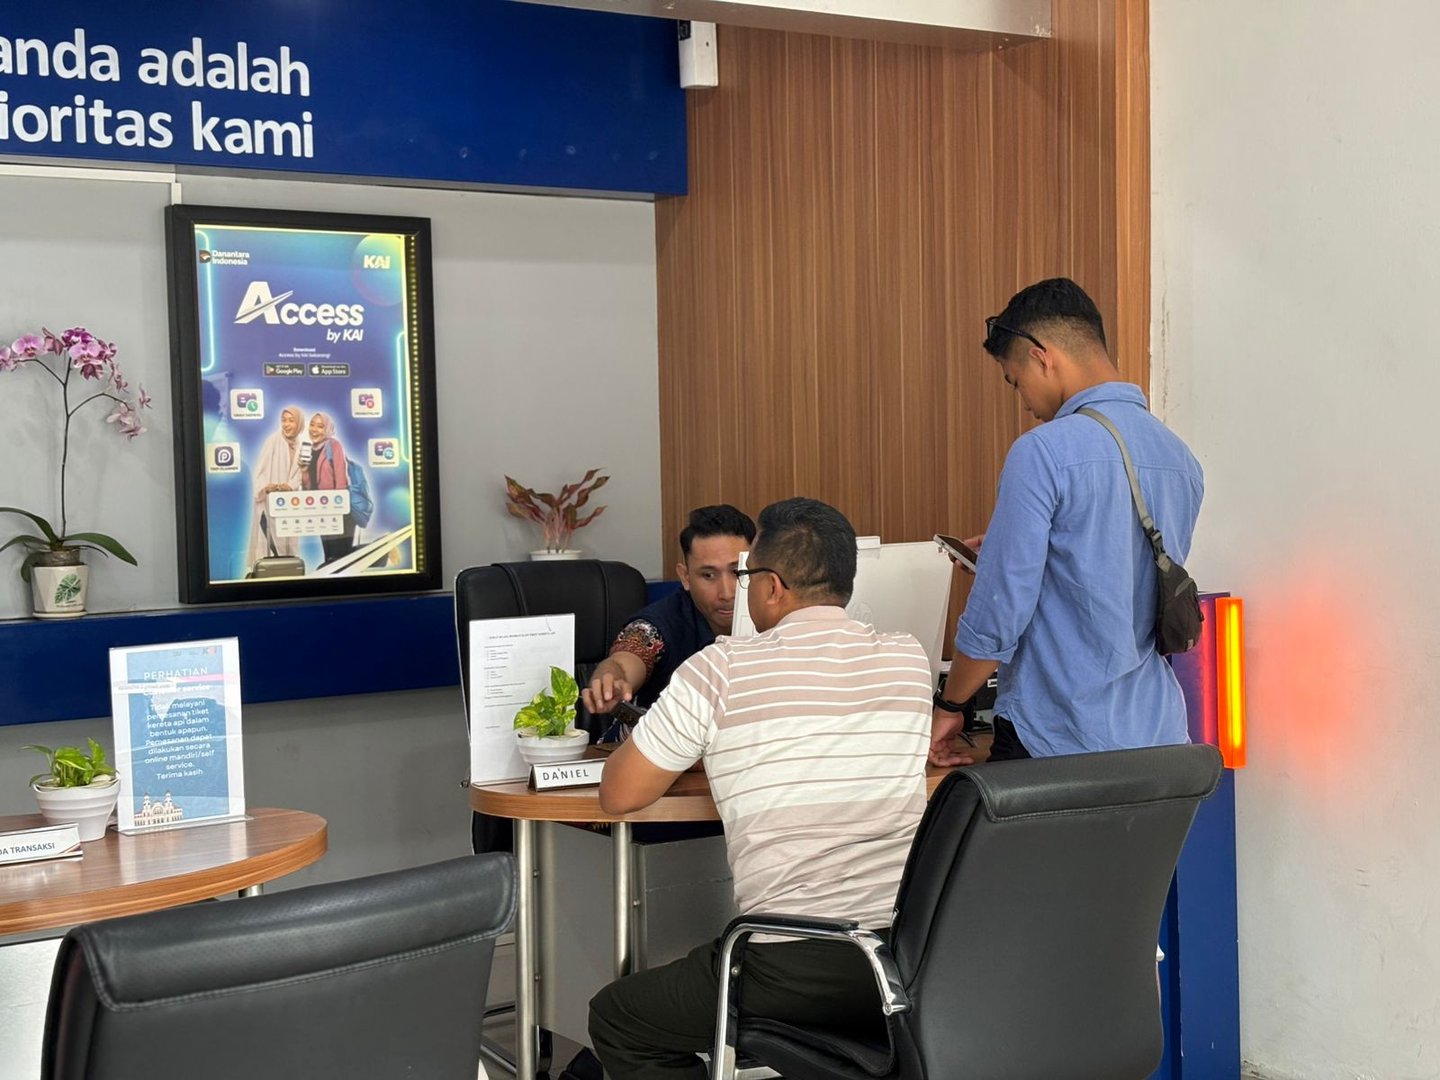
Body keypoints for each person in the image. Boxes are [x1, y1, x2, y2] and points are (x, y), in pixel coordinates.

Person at [587, 497, 932, 1080]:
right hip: (910, 955)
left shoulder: (718, 670)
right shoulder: (909, 659)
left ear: (770, 586)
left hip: (789, 960)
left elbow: (618, 794)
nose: (731, 590)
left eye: (742, 575)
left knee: (619, 1018)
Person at [931, 277, 1204, 765]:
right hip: (1157, 739)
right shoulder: (1180, 459)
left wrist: (951, 705)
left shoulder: (1042, 452)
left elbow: (999, 614)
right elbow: (1121, 578)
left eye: (1016, 381)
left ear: (1041, 356)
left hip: (1055, 739)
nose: (1024, 402)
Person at [582, 504, 756, 713]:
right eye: (708, 575)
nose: (726, 593)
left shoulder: (778, 617)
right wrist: (611, 679)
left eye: (737, 572)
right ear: (685, 577)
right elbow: (626, 659)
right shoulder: (659, 624)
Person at [246, 405, 303, 571]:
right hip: (268, 503)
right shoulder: (272, 440)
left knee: (287, 545)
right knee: (269, 544)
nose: (286, 424)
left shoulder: (301, 446)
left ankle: (288, 576)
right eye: (283, 420)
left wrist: (289, 486)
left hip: (288, 505)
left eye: (291, 420)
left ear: (299, 423)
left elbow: (300, 473)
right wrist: (265, 487)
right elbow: (260, 469)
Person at [301, 411, 356, 566]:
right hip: (322, 509)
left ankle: (382, 550)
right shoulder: (310, 450)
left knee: (341, 559)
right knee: (331, 557)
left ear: (327, 429)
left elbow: (341, 480)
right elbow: (309, 488)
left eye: (320, 426)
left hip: (339, 510)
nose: (314, 429)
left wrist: (338, 509)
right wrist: (304, 470)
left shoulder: (334, 446)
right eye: (312, 425)